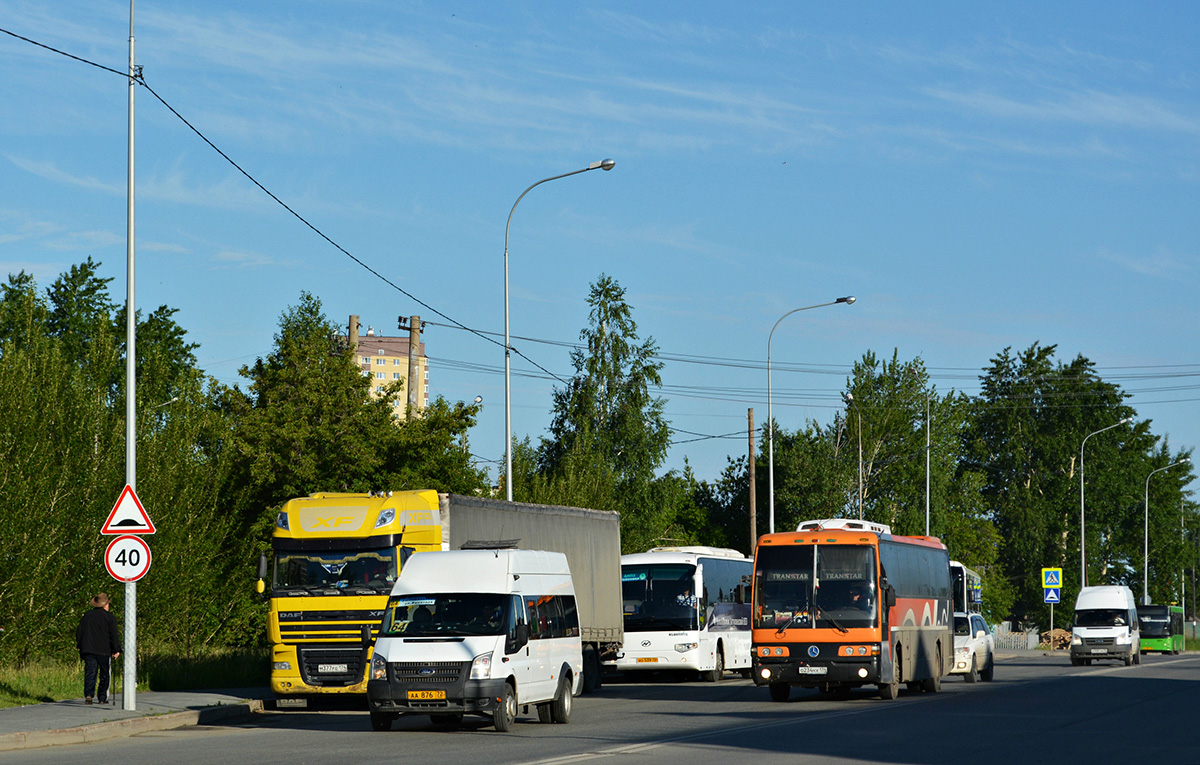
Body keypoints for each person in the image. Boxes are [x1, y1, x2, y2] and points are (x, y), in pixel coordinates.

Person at [76, 593, 122, 705]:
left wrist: (80, 646)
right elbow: (113, 635)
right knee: (104, 674)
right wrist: (117, 649)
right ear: (105, 605)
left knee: (90, 672)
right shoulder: (109, 617)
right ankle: (102, 697)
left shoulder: (87, 616)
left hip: (89, 649)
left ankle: (88, 694)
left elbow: (79, 633)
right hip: (104, 650)